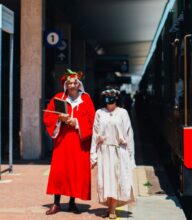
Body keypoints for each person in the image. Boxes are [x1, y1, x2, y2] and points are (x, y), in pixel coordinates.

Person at [43, 69, 95, 215]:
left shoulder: (86, 99)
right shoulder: (58, 98)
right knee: (60, 171)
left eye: (74, 83)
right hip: (63, 141)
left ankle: (72, 203)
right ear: (66, 85)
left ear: (79, 84)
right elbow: (48, 116)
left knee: (75, 171)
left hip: (79, 141)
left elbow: (93, 121)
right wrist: (59, 119)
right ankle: (56, 203)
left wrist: (76, 122)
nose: (72, 85)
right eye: (69, 83)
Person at [90, 89, 135, 219]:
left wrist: (131, 156)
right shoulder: (99, 113)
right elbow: (95, 134)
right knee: (105, 180)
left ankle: (112, 209)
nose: (109, 99)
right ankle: (110, 207)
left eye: (112, 97)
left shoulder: (123, 113)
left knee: (115, 180)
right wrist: (93, 155)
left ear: (117, 98)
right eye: (107, 97)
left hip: (118, 151)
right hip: (104, 151)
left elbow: (129, 135)